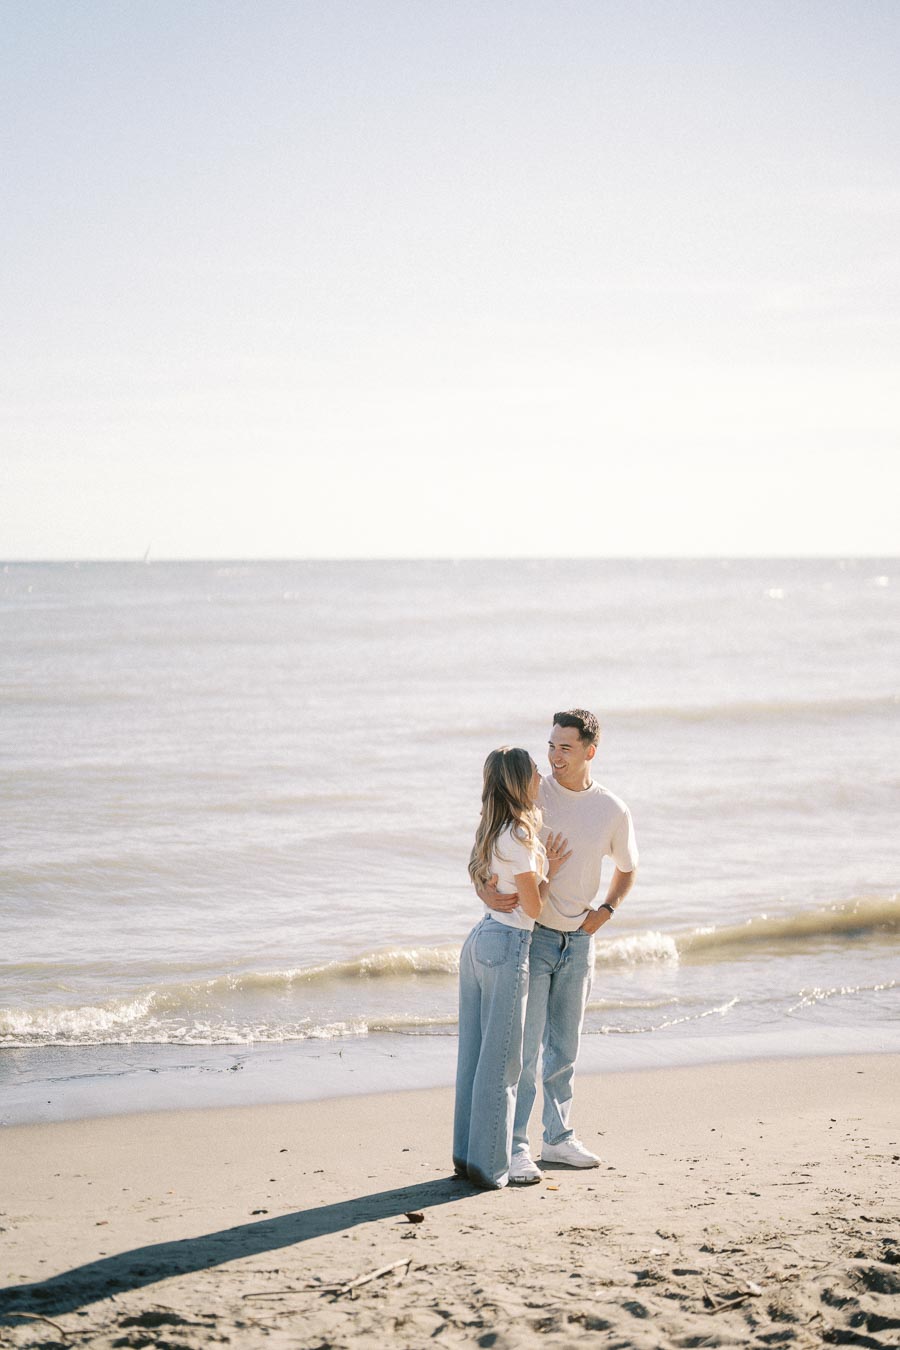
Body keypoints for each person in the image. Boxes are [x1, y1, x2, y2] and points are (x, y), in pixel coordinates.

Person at [479, 709, 638, 1184]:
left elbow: (628, 867)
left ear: (590, 751)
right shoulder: (534, 792)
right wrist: (483, 889)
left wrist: (604, 912)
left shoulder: (612, 809)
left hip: (579, 940)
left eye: (565, 747)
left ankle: (559, 1138)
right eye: (550, 745)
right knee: (525, 1052)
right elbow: (489, 838)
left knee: (564, 1048)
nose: (554, 757)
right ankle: (516, 1147)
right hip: (533, 938)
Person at [452, 747, 571, 1189]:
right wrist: (550, 871)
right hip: (508, 946)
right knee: (503, 1063)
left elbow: (479, 871)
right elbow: (535, 909)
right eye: (536, 770)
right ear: (522, 782)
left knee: (476, 1057)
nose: (542, 774)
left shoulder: (493, 826)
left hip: (482, 939)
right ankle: (492, 1167)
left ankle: (468, 1157)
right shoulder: (519, 835)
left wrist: (487, 889)